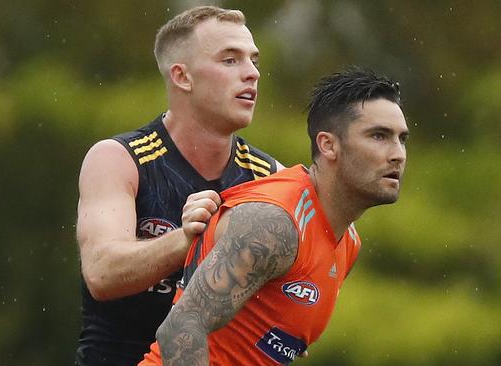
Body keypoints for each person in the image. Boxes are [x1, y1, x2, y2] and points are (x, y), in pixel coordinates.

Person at [139, 67, 409, 365]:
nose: (397, 154)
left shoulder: (348, 240)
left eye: (402, 139)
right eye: (379, 136)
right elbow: (180, 328)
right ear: (328, 145)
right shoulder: (274, 224)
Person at [75, 6, 284, 365]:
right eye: (230, 60)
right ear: (182, 77)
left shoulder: (270, 178)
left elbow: (288, 303)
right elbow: (102, 272)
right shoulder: (119, 159)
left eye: (253, 60)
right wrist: (191, 239)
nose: (252, 73)